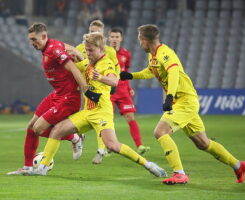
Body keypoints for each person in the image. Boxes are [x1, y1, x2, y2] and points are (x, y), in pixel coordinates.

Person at [120, 24, 245, 184]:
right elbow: (150, 71)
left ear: (146, 40)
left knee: (160, 132)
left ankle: (179, 173)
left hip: (185, 101)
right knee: (203, 143)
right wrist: (131, 76)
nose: (139, 43)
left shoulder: (166, 53)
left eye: (140, 39)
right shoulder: (153, 56)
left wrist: (169, 97)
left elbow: (173, 72)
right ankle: (238, 165)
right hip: (184, 102)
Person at [26, 32, 167, 178]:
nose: (88, 53)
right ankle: (42, 168)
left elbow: (114, 82)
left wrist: (100, 77)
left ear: (101, 49)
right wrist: (68, 56)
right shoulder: (88, 62)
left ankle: (148, 164)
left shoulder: (106, 63)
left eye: (91, 50)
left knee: (113, 145)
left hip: (101, 112)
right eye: (86, 50)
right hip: (87, 112)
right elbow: (73, 68)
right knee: (57, 130)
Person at [7, 23, 100, 175]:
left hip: (68, 97)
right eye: (30, 40)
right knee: (31, 127)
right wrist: (81, 56)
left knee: (38, 128)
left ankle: (74, 137)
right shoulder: (52, 46)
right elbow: (71, 49)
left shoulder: (54, 50)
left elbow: (74, 69)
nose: (32, 43)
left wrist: (87, 91)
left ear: (44, 36)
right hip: (57, 93)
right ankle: (27, 167)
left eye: (34, 39)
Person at [75, 20, 121, 164]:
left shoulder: (109, 51)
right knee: (85, 112)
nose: (93, 33)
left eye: (96, 31)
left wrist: (113, 81)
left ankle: (101, 150)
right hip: (85, 86)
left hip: (102, 85)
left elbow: (115, 68)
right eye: (91, 30)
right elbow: (78, 66)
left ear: (102, 34)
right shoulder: (81, 46)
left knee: (100, 116)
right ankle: (78, 137)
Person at [108, 27, 150, 155]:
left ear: (121, 38)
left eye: (117, 37)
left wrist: (129, 87)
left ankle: (140, 146)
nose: (114, 39)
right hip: (109, 90)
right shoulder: (104, 52)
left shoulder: (126, 54)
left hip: (123, 91)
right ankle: (107, 146)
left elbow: (124, 72)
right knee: (107, 119)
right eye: (112, 37)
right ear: (108, 38)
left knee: (130, 117)